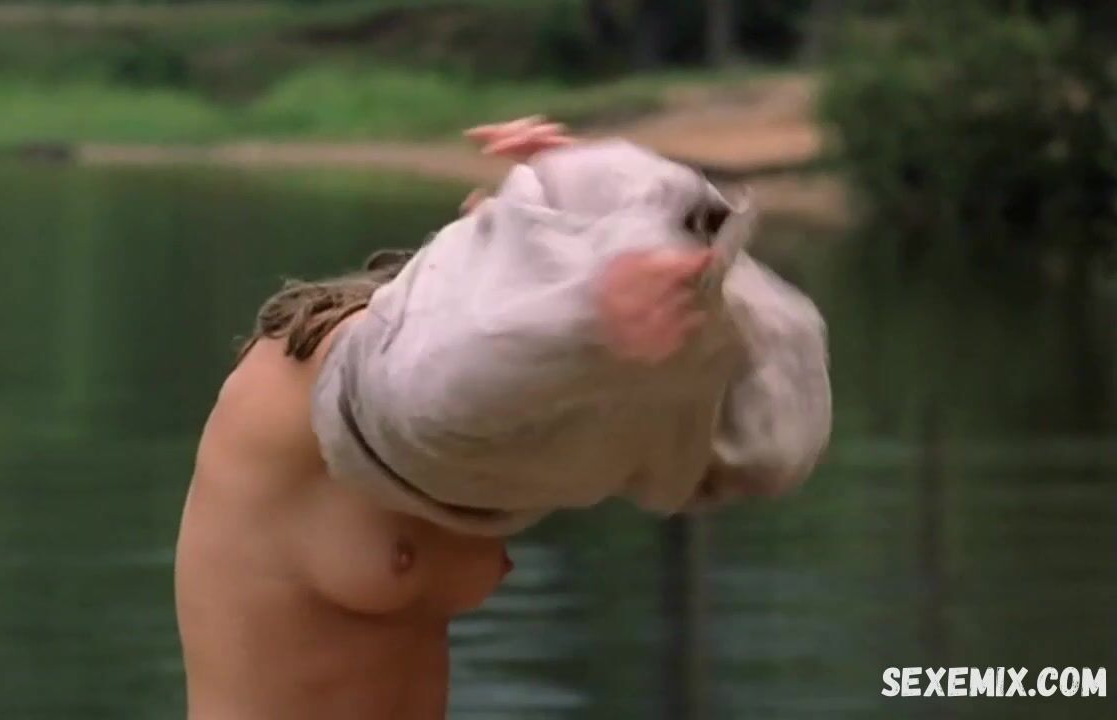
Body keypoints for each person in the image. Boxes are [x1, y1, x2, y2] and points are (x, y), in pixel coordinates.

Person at [175, 118, 831, 719]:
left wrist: (627, 193)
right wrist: (584, 314)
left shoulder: (515, 410)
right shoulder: (304, 375)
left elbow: (776, 432)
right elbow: (423, 391)